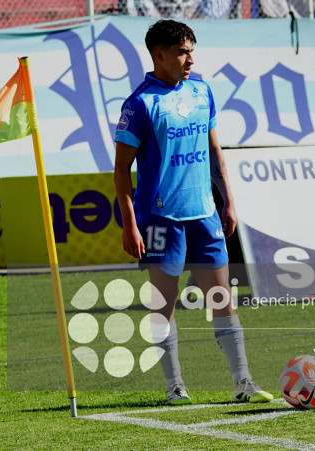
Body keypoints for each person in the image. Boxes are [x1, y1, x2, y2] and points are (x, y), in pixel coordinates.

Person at [113, 19, 272, 406]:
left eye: (192, 51)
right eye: (183, 52)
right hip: (161, 219)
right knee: (163, 305)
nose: (190, 59)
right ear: (160, 54)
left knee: (222, 299)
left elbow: (216, 150)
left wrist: (227, 200)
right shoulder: (139, 104)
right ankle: (175, 386)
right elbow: (121, 171)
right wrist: (130, 224)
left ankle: (243, 382)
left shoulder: (202, 92)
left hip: (204, 215)